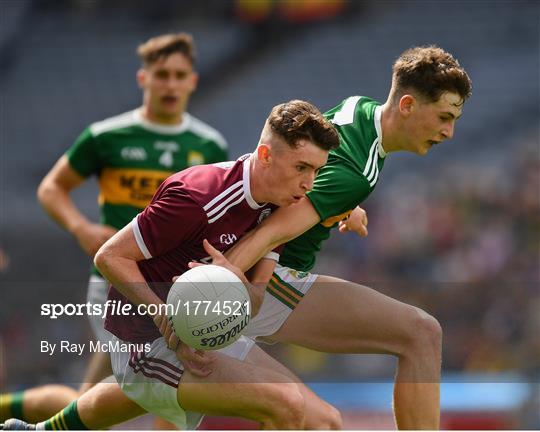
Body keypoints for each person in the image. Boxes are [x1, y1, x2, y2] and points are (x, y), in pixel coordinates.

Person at [1, 100, 342, 430]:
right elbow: (109, 256)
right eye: (301, 167)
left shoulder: (281, 206)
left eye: (317, 170)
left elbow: (254, 300)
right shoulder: (197, 197)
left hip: (202, 333)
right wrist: (163, 315)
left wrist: (234, 281)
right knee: (285, 404)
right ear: (266, 155)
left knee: (325, 421)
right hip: (146, 335)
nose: (309, 184)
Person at [222, 45, 473, 430]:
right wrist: (208, 291)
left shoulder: (359, 108)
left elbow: (309, 178)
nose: (449, 132)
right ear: (407, 104)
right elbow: (271, 230)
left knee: (148, 388)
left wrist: (342, 209)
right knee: (422, 333)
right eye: (443, 117)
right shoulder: (356, 175)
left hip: (245, 268)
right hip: (266, 282)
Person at [0, 33, 228, 425]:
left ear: (192, 81)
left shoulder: (209, 146)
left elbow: (217, 214)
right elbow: (52, 187)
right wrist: (80, 228)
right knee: (173, 386)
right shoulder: (107, 136)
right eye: (162, 75)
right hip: (116, 282)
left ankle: (21, 418)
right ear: (144, 79)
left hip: (174, 287)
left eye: (179, 75)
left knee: (90, 402)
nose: (170, 84)